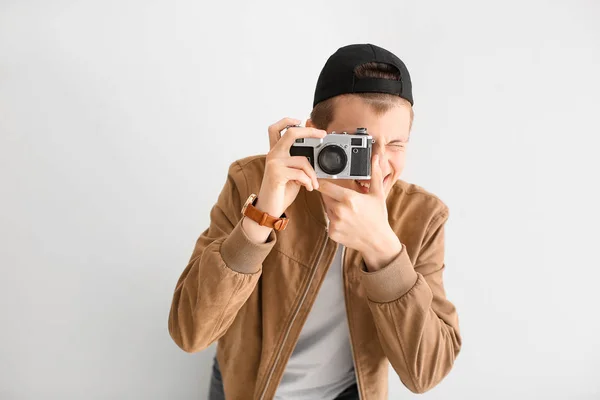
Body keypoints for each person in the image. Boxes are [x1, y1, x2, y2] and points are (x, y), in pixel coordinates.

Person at [168, 43, 461, 400]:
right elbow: (190, 331)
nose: (379, 165)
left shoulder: (423, 217)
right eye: (360, 144)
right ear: (313, 132)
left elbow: (425, 374)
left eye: (396, 144)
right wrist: (261, 217)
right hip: (244, 388)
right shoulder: (252, 181)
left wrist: (383, 248)